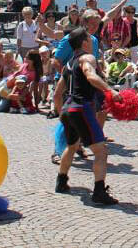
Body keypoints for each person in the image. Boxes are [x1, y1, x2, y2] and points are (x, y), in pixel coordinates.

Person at [53, 27, 122, 205]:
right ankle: (99, 192)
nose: (92, 43)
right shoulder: (87, 58)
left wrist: (61, 113)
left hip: (68, 109)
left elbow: (56, 94)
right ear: (84, 42)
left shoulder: (67, 65)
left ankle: (61, 182)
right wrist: (110, 90)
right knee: (101, 151)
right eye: (90, 40)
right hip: (81, 107)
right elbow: (90, 76)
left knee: (72, 145)